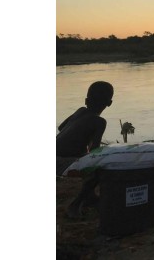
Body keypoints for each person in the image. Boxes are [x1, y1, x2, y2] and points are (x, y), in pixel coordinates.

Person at [56, 81, 113, 218]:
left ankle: (90, 197)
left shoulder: (80, 111)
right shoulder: (100, 122)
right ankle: (76, 205)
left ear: (86, 100)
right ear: (109, 103)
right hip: (61, 161)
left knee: (88, 161)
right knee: (99, 168)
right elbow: (95, 151)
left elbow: (61, 128)